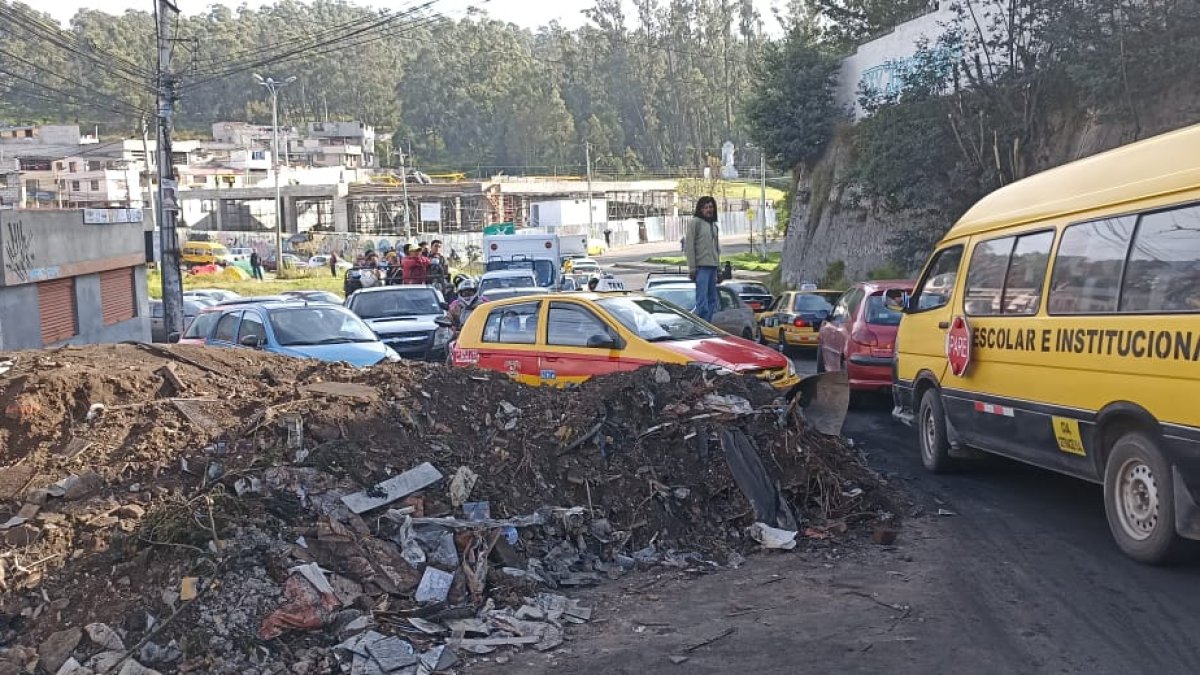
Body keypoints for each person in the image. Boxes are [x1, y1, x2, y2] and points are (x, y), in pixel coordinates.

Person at [684, 196, 720, 321]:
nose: (709, 210)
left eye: (711, 207)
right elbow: (689, 246)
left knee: (712, 300)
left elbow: (716, 249)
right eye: (705, 207)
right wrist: (692, 268)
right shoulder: (696, 222)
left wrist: (718, 268)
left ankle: (708, 325)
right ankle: (700, 325)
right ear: (700, 209)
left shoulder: (714, 226)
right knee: (702, 302)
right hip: (701, 267)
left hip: (713, 267)